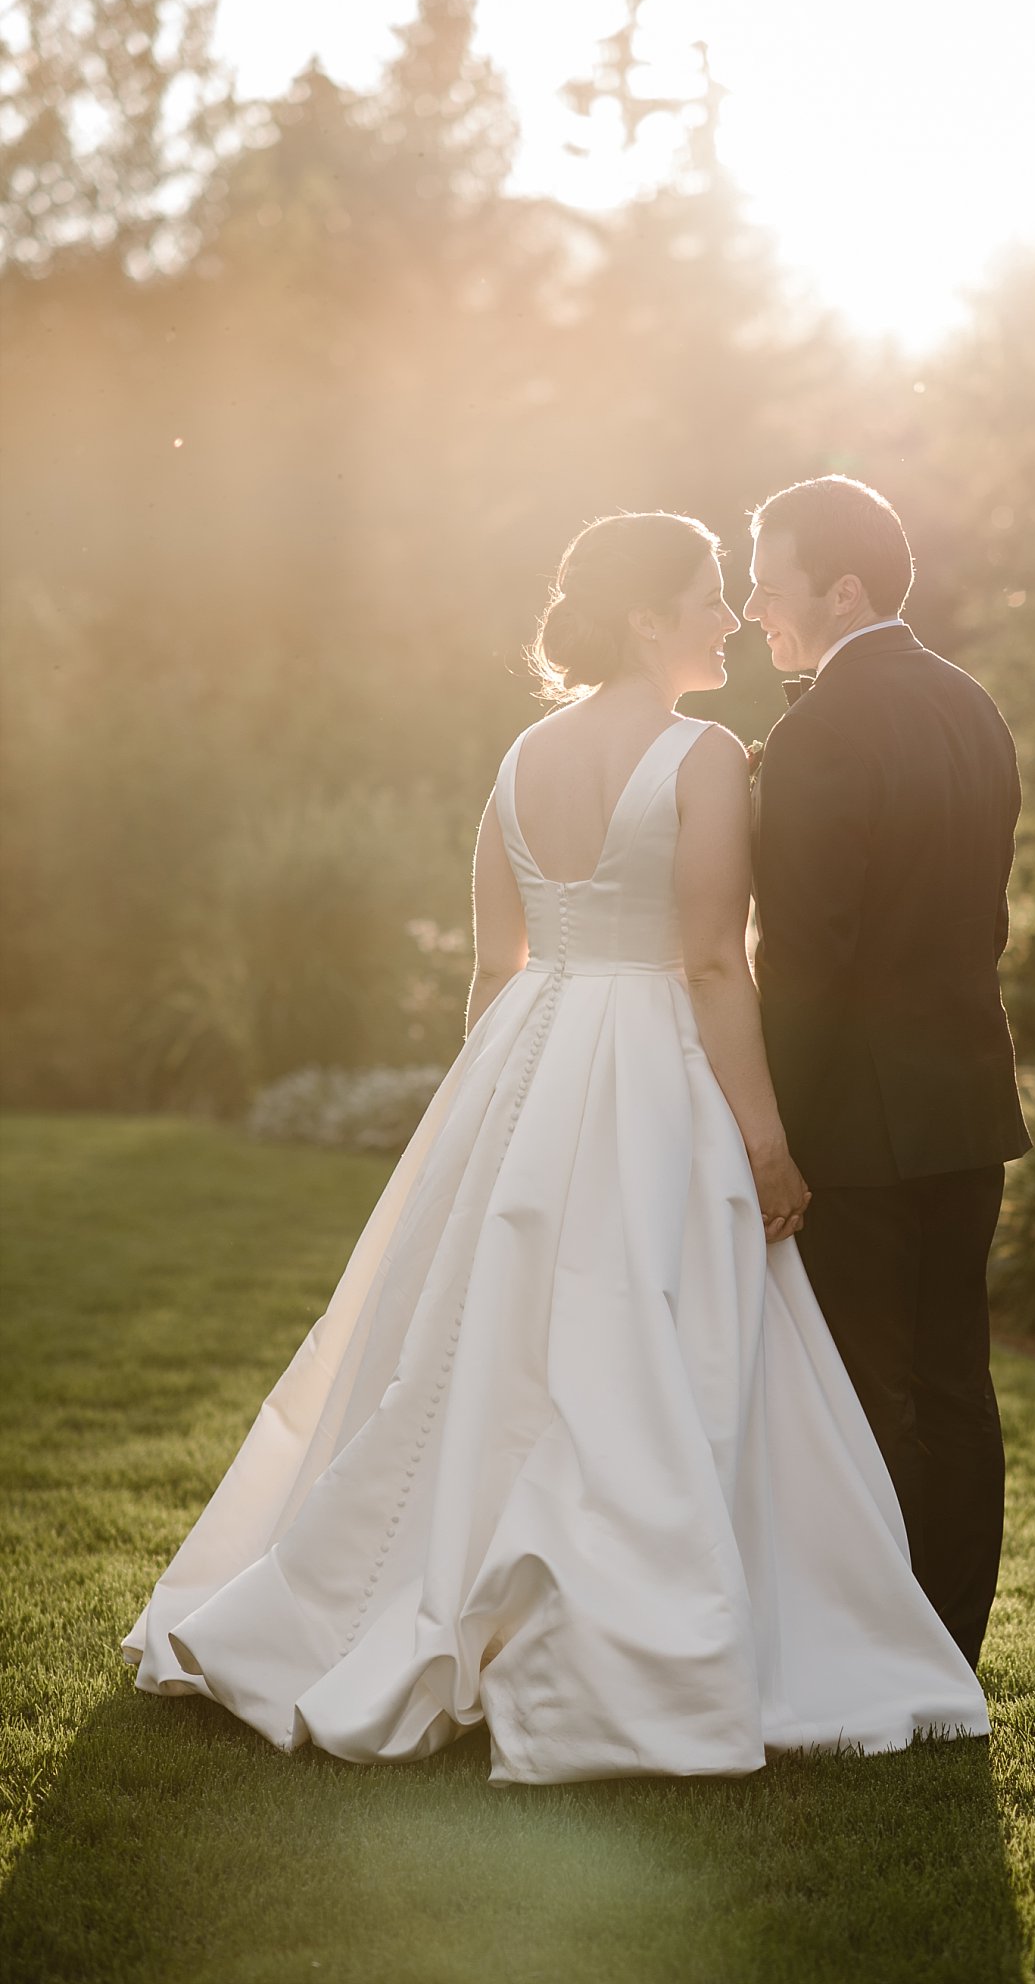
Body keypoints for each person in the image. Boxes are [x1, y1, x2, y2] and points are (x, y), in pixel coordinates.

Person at [122, 510, 986, 1784]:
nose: (729, 617)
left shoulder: (522, 752)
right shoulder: (702, 756)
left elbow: (494, 966)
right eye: (707, 594)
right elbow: (711, 963)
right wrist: (764, 1141)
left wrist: (495, 1111)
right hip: (650, 1060)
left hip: (528, 1050)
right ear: (644, 617)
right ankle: (630, 1627)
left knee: (484, 1341)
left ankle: (414, 1584)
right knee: (645, 1332)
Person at [745, 476, 1029, 1670]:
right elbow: (983, 918)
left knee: (864, 1387)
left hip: (856, 1118)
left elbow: (805, 960)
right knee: (955, 1378)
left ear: (844, 590)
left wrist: (770, 1129)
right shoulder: (974, 705)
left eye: (770, 581)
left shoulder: (820, 730)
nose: (753, 605)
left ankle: (882, 1653)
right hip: (965, 1101)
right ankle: (951, 1643)